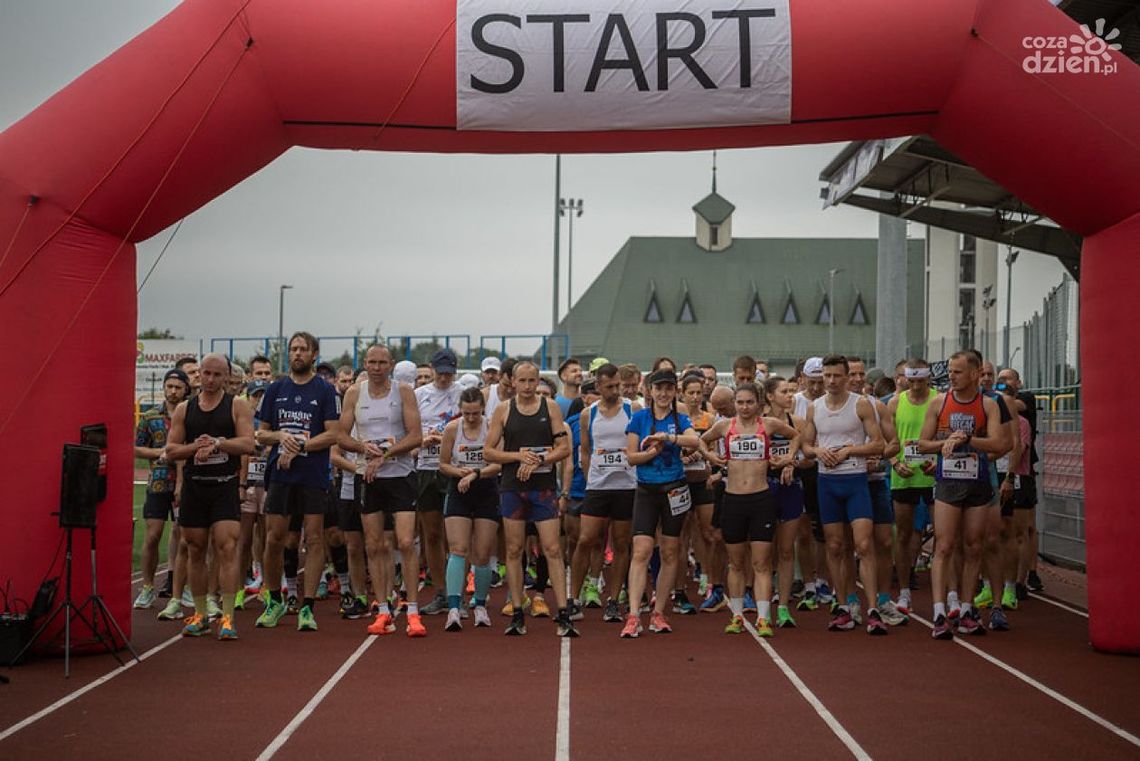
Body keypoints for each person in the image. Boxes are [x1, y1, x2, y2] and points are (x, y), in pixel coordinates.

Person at [253, 332, 342, 632]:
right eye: (293, 349)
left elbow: (333, 434)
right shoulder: (276, 388)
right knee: (275, 538)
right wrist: (281, 437)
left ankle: (307, 606)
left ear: (314, 354)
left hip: (313, 475)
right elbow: (261, 434)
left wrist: (302, 446)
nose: (297, 354)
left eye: (303, 349)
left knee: (314, 538)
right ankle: (275, 600)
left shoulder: (325, 391)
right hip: (281, 475)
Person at [917, 351, 1008, 639]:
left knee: (974, 545)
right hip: (948, 482)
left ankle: (968, 609)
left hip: (978, 482)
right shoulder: (939, 403)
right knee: (943, 546)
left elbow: (999, 442)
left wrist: (967, 439)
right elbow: (922, 443)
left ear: (975, 373)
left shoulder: (989, 405)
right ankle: (940, 611)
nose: (951, 377)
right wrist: (948, 441)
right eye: (951, 372)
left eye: (957, 372)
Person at [164, 354, 255, 640]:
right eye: (207, 374)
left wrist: (218, 443)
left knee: (227, 546)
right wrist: (195, 447)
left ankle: (227, 617)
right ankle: (201, 613)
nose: (211, 380)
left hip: (224, 485)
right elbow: (171, 450)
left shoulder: (236, 405)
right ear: (198, 375)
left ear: (227, 377)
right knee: (195, 549)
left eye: (217, 375)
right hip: (195, 487)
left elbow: (248, 443)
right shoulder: (184, 409)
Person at [484, 361, 576, 636]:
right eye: (521, 381)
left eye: (531, 381)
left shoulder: (550, 408)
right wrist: (517, 457)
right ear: (512, 381)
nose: (526, 387)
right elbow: (488, 452)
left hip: (543, 488)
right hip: (512, 487)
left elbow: (564, 448)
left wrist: (539, 459)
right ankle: (517, 612)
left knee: (552, 549)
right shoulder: (503, 410)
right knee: (513, 550)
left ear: (538, 382)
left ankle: (562, 613)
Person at [337, 344, 424, 636]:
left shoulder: (403, 392)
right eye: (371, 362)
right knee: (373, 545)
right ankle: (383, 610)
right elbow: (340, 436)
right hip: (368, 477)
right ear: (365, 364)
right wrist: (363, 448)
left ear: (391, 364)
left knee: (405, 540)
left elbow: (416, 436)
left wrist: (384, 455)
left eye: (382, 362)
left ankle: (412, 610)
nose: (376, 368)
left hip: (399, 475)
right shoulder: (353, 393)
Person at [702, 382, 799, 635]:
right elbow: (702, 440)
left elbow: (796, 435)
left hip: (760, 499)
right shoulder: (725, 426)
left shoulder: (768, 425)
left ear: (759, 404)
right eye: (740, 402)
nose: (744, 407)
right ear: (734, 404)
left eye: (749, 402)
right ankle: (736, 616)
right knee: (735, 563)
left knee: (761, 563)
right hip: (733, 499)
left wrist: (789, 457)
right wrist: (710, 458)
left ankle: (764, 618)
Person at [801, 355, 888, 635]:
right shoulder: (814, 408)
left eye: (837, 376)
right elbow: (805, 444)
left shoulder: (860, 404)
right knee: (835, 547)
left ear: (847, 377)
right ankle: (844, 606)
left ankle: (873, 608)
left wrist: (850, 450)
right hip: (828, 483)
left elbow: (877, 444)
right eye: (827, 376)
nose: (831, 381)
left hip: (855, 482)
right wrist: (818, 452)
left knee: (864, 545)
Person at [620, 369, 702, 638]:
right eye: (659, 388)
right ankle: (633, 615)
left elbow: (696, 440)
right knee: (641, 550)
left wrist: (668, 438)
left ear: (674, 391)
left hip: (674, 490)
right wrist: (651, 452)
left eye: (669, 388)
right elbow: (631, 458)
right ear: (650, 390)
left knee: (670, 551)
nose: (664, 393)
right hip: (646, 490)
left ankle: (659, 612)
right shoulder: (640, 417)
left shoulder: (680, 418)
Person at [573, 364, 638, 623]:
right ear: (597, 387)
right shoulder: (588, 415)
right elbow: (586, 450)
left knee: (622, 543)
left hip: (627, 485)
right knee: (586, 539)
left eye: (617, 386)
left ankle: (613, 600)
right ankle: (573, 599)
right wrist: (591, 478)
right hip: (598, 486)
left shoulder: (633, 408)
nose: (614, 391)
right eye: (608, 386)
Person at [439, 387, 503, 631]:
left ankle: (480, 605)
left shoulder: (491, 428)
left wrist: (476, 474)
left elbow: (498, 464)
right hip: (459, 490)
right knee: (458, 548)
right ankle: (454, 607)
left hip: (486, 489)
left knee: (483, 553)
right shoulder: (452, 429)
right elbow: (443, 464)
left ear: (482, 410)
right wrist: (459, 473)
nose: (471, 418)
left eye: (475, 413)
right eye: (466, 414)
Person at [134, 369, 190, 611]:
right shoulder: (149, 417)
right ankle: (147, 586)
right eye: (170, 386)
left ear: (185, 389)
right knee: (153, 535)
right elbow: (136, 449)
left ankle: (182, 588)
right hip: (157, 482)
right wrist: (161, 452)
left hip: (185, 483)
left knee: (184, 536)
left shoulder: (191, 414)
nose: (173, 391)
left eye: (178, 387)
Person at [414, 348, 464, 616]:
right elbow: (409, 432)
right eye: (440, 372)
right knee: (432, 534)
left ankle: (458, 593)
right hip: (426, 468)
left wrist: (447, 439)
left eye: (449, 372)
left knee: (457, 537)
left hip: (455, 470)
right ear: (432, 369)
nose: (444, 377)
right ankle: (442, 592)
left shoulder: (462, 394)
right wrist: (424, 440)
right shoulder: (419, 396)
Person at [886, 359, 937, 617]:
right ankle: (904, 592)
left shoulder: (939, 400)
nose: (915, 386)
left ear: (928, 378)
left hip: (934, 475)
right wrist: (894, 462)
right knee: (903, 535)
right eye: (911, 380)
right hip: (904, 476)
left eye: (920, 381)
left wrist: (937, 462)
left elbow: (946, 436)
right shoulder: (895, 402)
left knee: (945, 536)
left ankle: (947, 594)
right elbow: (888, 439)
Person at [762, 376, 807, 629]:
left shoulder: (797, 423)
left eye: (791, 391)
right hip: (764, 488)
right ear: (770, 396)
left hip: (791, 489)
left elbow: (810, 457)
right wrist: (770, 462)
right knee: (764, 552)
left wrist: (792, 462)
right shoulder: (760, 423)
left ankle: (783, 607)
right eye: (784, 392)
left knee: (787, 550)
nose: (790, 396)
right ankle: (764, 606)